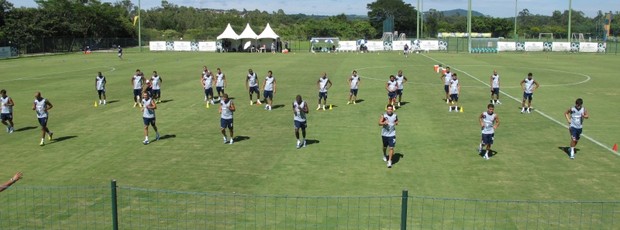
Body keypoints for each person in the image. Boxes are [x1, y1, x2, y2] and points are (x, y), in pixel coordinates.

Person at [379, 104, 398, 168]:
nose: (390, 110)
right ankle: (384, 155)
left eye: (391, 109)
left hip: (392, 134)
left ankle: (389, 161)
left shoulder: (395, 115)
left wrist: (396, 123)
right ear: (386, 109)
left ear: (392, 109)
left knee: (391, 147)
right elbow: (379, 123)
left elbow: (396, 121)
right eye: (388, 109)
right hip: (384, 134)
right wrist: (384, 123)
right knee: (384, 147)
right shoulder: (383, 115)